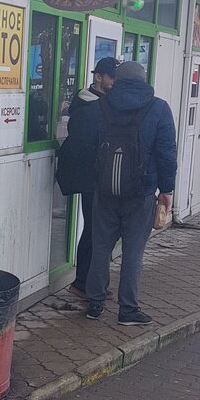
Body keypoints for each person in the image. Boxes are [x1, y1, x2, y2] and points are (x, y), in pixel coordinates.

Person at [85, 61, 176, 325]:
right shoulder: (158, 108)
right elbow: (167, 153)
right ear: (144, 79)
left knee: (101, 248)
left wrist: (98, 177)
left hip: (105, 190)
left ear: (117, 80)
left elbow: (89, 145)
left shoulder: (100, 105)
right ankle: (127, 311)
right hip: (142, 192)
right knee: (133, 252)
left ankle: (94, 305)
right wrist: (166, 189)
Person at [56, 57, 117, 299]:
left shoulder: (101, 103)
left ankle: (93, 283)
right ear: (98, 77)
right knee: (94, 231)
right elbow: (86, 145)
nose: (114, 82)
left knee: (98, 230)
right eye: (111, 76)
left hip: (98, 177)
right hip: (91, 177)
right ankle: (83, 284)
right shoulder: (88, 105)